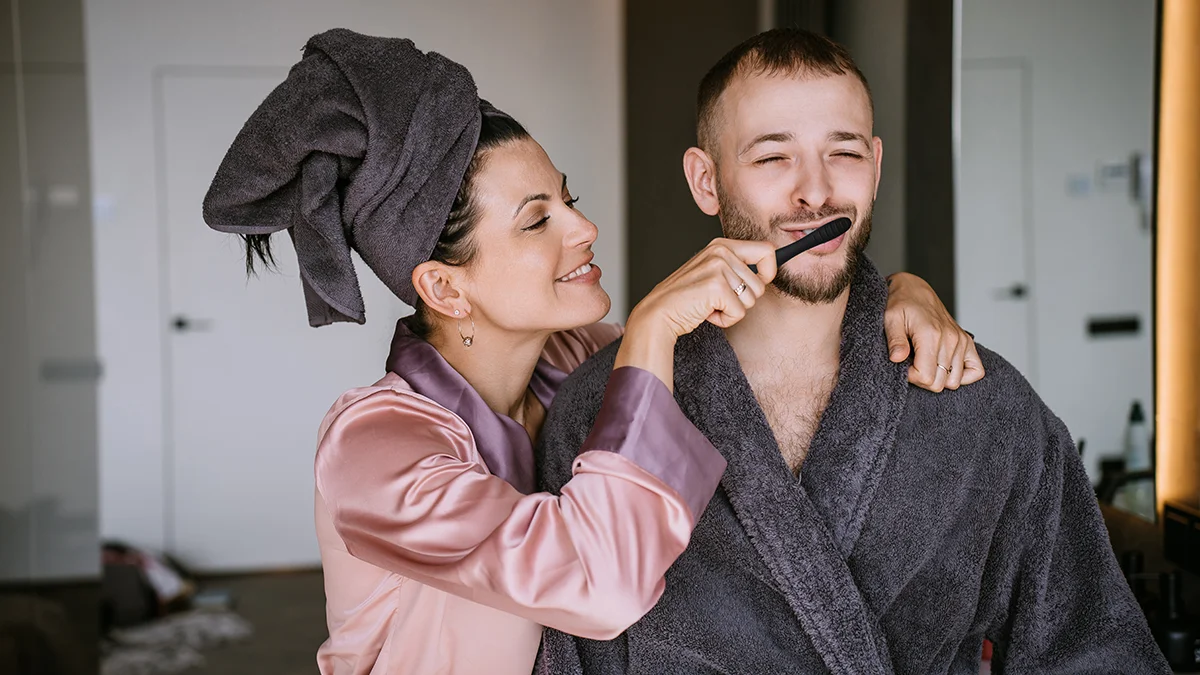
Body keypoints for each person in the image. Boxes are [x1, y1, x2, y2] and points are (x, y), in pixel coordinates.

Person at [203, 29, 984, 675]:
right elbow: (601, 583)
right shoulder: (376, 448)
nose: (584, 230)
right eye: (537, 220)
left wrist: (900, 291)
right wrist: (648, 328)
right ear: (444, 288)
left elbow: (752, 341)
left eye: (569, 199)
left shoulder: (572, 362)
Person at [535, 28, 1170, 674]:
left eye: (843, 154)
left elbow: (1097, 646)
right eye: (773, 158)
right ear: (706, 181)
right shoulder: (600, 415)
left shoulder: (980, 403)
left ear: (876, 165)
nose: (816, 192)